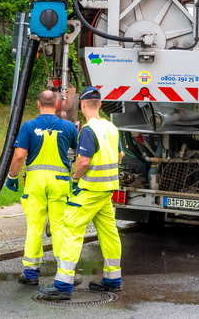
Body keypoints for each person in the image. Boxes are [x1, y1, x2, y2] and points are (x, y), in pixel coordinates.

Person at [40, 86, 124, 300]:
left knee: (71, 230)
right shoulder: (112, 128)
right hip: (107, 191)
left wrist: (76, 178)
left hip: (89, 190)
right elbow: (121, 154)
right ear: (101, 105)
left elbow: (84, 162)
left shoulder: (88, 130)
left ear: (83, 105)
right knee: (109, 233)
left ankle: (63, 285)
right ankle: (113, 280)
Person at [6, 90, 79, 286]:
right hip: (60, 183)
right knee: (59, 227)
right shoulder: (69, 127)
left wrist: (12, 177)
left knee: (34, 228)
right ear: (56, 105)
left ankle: (31, 274)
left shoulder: (29, 126)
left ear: (38, 105)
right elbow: (80, 153)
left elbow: (20, 155)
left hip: (35, 184)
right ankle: (65, 272)